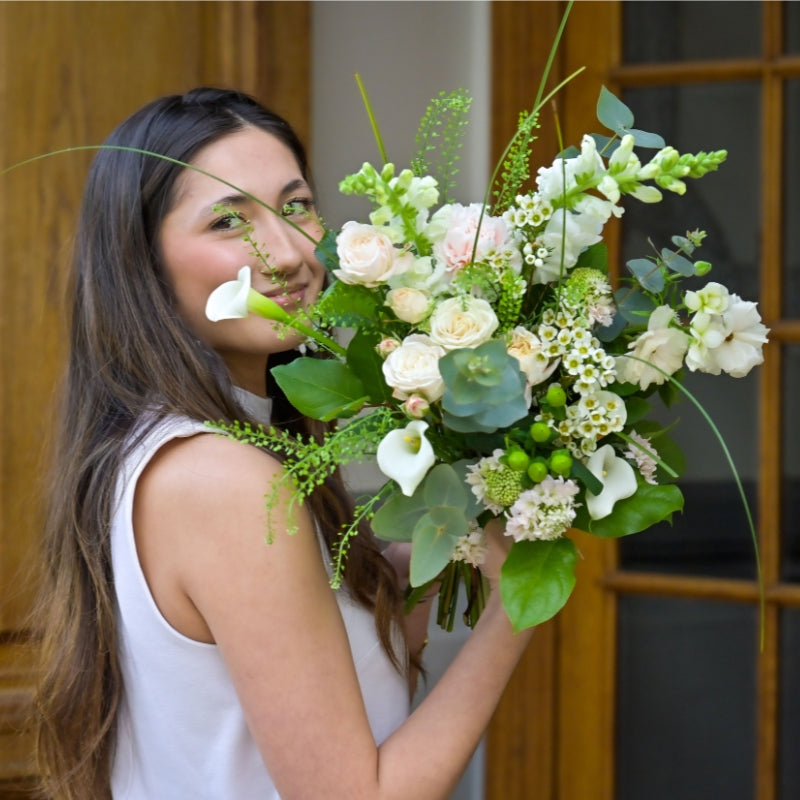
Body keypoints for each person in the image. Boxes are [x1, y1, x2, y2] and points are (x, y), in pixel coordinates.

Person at [33, 87, 535, 800]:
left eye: (296, 206)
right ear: (140, 262)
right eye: (230, 221)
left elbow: (341, 669)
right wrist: (521, 603)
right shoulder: (221, 479)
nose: (292, 252)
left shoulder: (204, 444)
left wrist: (459, 514)